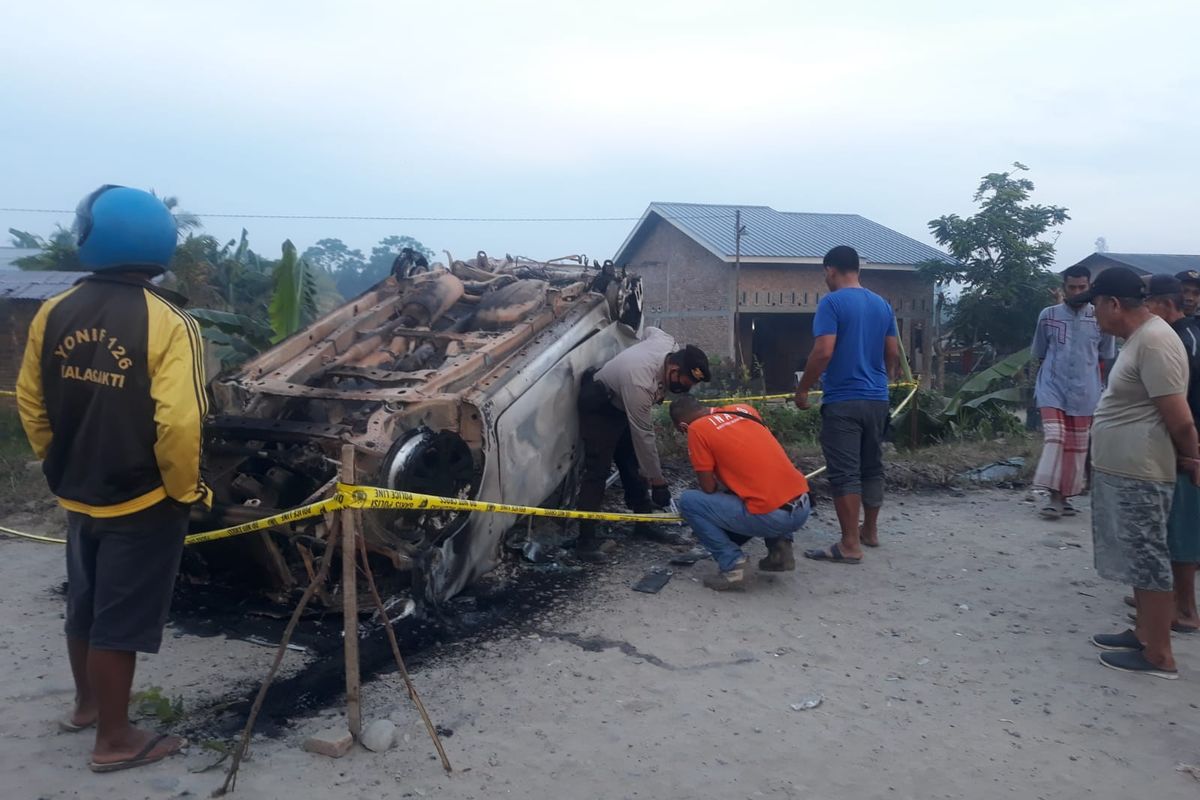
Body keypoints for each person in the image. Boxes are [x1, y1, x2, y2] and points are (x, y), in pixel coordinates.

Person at [16, 185, 211, 771]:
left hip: (79, 490)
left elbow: (31, 402)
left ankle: (86, 707)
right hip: (143, 496)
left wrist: (62, 463)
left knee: (87, 601)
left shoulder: (54, 310)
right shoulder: (168, 322)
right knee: (119, 620)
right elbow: (179, 422)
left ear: (90, 237)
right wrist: (186, 490)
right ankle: (115, 738)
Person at [1080, 267, 1200, 680]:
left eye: (1095, 305)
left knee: (1149, 559)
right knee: (1137, 558)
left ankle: (1159, 655)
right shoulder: (1138, 340)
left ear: (1113, 304)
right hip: (1124, 470)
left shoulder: (1155, 341)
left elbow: (1180, 419)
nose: (1094, 314)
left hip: (1144, 471)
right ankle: (1143, 633)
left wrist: (1194, 458)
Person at [795, 245, 899, 565]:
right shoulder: (882, 304)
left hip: (843, 401)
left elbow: (824, 351)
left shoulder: (832, 303)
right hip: (877, 400)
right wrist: (884, 379)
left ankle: (849, 545)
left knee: (844, 473)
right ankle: (870, 531)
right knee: (872, 466)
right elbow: (892, 352)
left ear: (830, 270)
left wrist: (803, 390)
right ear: (858, 269)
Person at [574, 327, 711, 561]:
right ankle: (585, 541)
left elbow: (648, 329)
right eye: (683, 383)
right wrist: (659, 483)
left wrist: (632, 349)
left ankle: (644, 524)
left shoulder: (666, 342)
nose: (683, 389)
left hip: (621, 404)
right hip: (600, 408)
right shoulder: (640, 382)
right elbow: (644, 436)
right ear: (674, 368)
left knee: (631, 464)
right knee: (597, 470)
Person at [669, 396, 811, 591]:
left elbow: (708, 488)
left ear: (683, 425)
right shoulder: (744, 410)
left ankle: (733, 565)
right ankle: (781, 550)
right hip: (803, 505)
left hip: (773, 518)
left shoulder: (697, 429)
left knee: (689, 501)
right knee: (766, 479)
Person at [1029, 265, 1117, 519]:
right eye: (1072, 287)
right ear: (1064, 288)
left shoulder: (1100, 318)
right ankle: (1053, 496)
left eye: (1082, 287)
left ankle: (1065, 498)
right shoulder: (1048, 315)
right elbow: (1040, 352)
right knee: (1055, 437)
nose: (1077, 292)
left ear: (1089, 287)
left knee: (1077, 447)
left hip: (1086, 390)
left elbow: (1106, 354)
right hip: (1052, 387)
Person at [1142, 275, 1200, 633]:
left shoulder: (1183, 339)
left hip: (1187, 443)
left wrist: (1189, 449)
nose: (1144, 310)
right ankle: (1162, 596)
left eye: (1148, 302)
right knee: (1168, 525)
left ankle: (1187, 610)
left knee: (1181, 528)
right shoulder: (1177, 335)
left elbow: (1187, 399)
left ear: (1165, 304)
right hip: (1179, 442)